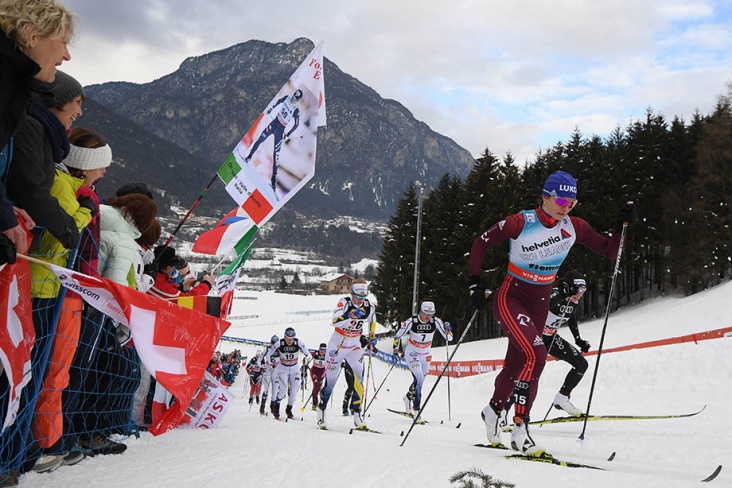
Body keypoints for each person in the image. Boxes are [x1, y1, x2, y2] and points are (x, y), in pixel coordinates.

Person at [468, 169, 633, 456]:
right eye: (561, 200)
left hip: (539, 302)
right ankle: (520, 428)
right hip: (512, 297)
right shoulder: (521, 222)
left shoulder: (574, 226)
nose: (566, 207)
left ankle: (493, 410)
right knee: (537, 354)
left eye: (572, 202)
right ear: (545, 196)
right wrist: (474, 283)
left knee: (516, 364)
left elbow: (609, 250)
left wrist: (621, 227)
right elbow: (481, 242)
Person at [1, 0, 73, 264]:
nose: (67, 56)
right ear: (32, 35)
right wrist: (4, 216)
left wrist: (5, 208)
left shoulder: (14, 88)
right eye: (63, 42)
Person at [317, 279, 377, 430]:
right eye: (357, 297)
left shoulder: (369, 306)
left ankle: (357, 414)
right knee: (331, 382)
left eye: (363, 297)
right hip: (337, 344)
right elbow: (335, 321)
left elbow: (372, 320)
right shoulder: (344, 303)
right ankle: (321, 409)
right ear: (352, 294)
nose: (360, 300)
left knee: (359, 381)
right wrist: (349, 315)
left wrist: (371, 334)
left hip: (355, 346)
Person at [543, 271, 591, 416]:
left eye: (584, 290)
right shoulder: (556, 293)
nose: (581, 293)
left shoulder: (574, 300)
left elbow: (570, 318)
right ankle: (502, 411)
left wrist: (578, 339)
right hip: (536, 337)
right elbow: (542, 305)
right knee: (529, 375)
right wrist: (561, 295)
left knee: (581, 364)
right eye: (579, 289)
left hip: (551, 337)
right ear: (569, 287)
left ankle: (562, 398)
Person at [393, 300, 452, 416]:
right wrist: (395, 352)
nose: (428, 317)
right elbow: (397, 335)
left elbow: (449, 338)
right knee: (419, 379)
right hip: (412, 352)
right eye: (426, 313)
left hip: (426, 353)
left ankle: (407, 397)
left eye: (431, 314)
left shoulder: (436, 321)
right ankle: (417, 411)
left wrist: (448, 330)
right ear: (421, 311)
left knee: (420, 381)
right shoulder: (412, 321)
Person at [243, 89, 302, 198]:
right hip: (274, 123)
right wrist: (271, 109)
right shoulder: (286, 98)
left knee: (276, 155)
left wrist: (288, 134)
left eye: (296, 98)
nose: (293, 98)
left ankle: (273, 180)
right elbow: (278, 102)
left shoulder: (296, 110)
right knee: (260, 139)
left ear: (298, 100)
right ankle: (249, 156)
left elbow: (296, 124)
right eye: (294, 95)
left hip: (280, 131)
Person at [269, 327, 312, 420]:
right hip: (282, 369)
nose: (289, 341)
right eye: (288, 339)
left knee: (293, 393)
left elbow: (308, 354)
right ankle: (277, 405)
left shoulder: (298, 343)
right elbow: (270, 354)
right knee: (283, 389)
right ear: (284, 337)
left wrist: (308, 358)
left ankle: (289, 409)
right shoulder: (279, 343)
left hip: (295, 369)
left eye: (291, 339)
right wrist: (271, 361)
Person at [147, 245, 215, 300]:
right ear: (168, 268)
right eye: (173, 267)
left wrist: (182, 287)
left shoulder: (155, 276)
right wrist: (207, 284)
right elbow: (189, 301)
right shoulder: (158, 284)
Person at [258, 335, 279, 415]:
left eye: (276, 343)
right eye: (272, 342)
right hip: (268, 370)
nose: (273, 344)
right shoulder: (267, 349)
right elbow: (259, 359)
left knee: (274, 391)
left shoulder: (280, 350)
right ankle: (262, 407)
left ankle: (272, 407)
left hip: (276, 370)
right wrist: (261, 367)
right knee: (267, 389)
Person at [309, 343, 327, 411]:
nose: (322, 352)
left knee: (318, 387)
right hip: (314, 371)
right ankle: (314, 402)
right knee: (315, 384)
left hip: (322, 372)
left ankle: (320, 402)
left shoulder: (327, 355)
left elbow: (334, 360)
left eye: (324, 350)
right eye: (321, 350)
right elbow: (309, 356)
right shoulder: (316, 353)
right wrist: (306, 359)